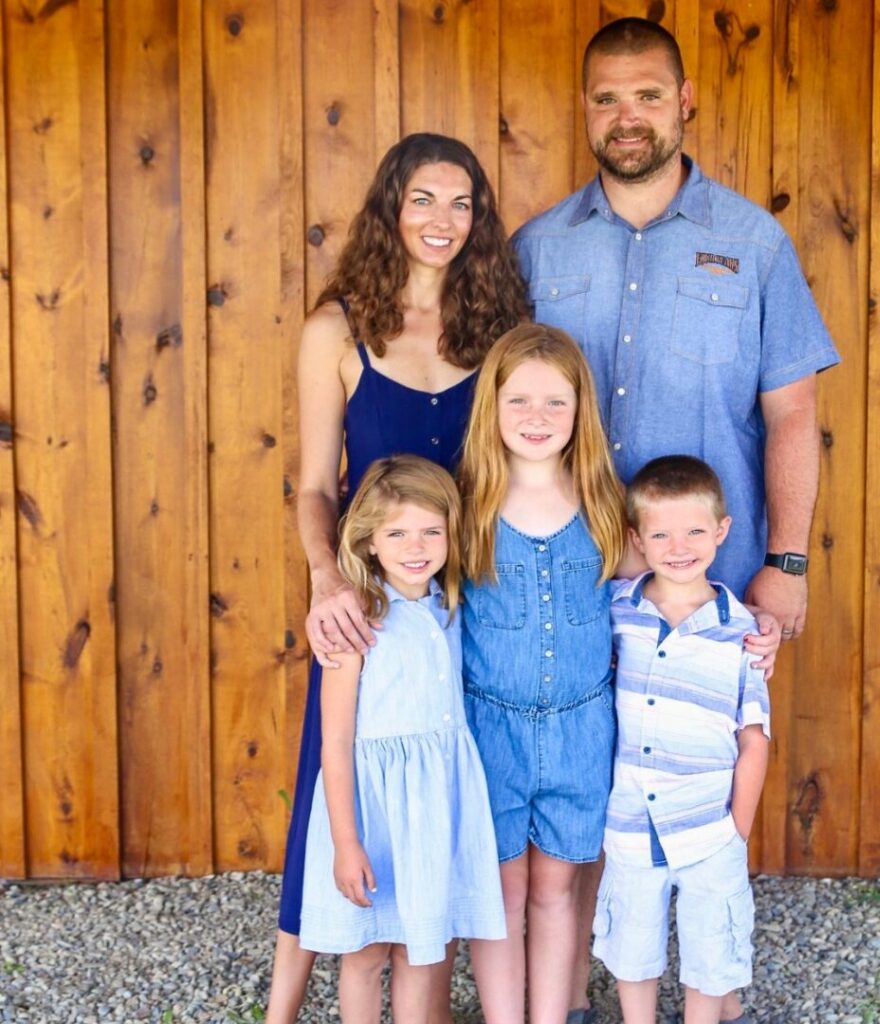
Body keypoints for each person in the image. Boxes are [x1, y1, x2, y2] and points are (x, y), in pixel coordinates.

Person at [511, 18, 838, 1022]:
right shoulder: (538, 247)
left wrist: (786, 561)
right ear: (584, 108)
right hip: (569, 581)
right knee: (585, 785)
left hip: (707, 586)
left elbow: (792, 414)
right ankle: (575, 988)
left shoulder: (752, 242)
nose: (628, 116)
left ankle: (708, 988)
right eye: (607, 97)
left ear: (685, 101)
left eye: (648, 95)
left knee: (704, 782)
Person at [267, 132, 528, 1024]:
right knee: (332, 782)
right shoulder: (336, 330)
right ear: (391, 207)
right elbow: (314, 486)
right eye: (423, 199)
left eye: (461, 203)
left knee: (451, 792)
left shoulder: (497, 330)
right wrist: (326, 582)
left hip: (470, 596)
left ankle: (440, 987)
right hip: (367, 599)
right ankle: (281, 1007)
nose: (442, 219)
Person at [456, 324, 627, 1024]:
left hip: (581, 731)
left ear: (581, 409)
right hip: (489, 731)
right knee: (502, 894)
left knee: (557, 890)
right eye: (519, 401)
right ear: (492, 408)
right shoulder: (465, 508)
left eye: (556, 402)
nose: (538, 417)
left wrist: (741, 626)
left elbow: (664, 587)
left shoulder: (605, 504)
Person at [299, 455, 506, 1024]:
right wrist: (346, 842)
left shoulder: (452, 607)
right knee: (367, 951)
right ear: (368, 541)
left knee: (421, 948)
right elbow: (335, 743)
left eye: (431, 532)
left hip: (434, 808)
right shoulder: (356, 621)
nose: (416, 547)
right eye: (396, 534)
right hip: (372, 813)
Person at [595, 455, 770, 1024]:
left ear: (722, 530)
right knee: (632, 940)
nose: (678, 547)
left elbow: (754, 739)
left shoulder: (742, 631)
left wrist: (736, 831)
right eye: (661, 535)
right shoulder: (618, 610)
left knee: (710, 946)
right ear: (636, 540)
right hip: (632, 815)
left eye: (695, 531)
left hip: (709, 823)